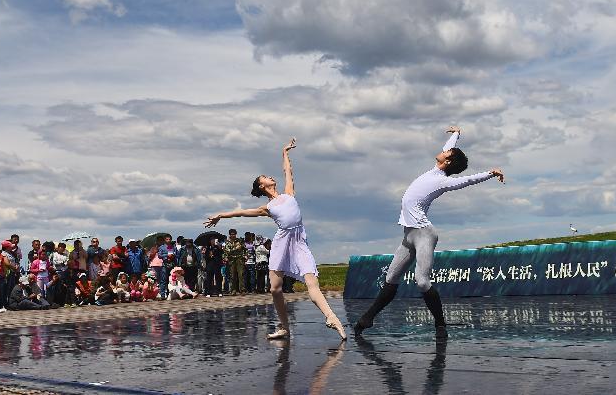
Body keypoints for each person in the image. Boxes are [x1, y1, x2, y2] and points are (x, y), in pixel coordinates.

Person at [354, 127, 504, 338]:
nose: (443, 151)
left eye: (447, 153)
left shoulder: (442, 180)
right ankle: (367, 319)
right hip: (409, 236)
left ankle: (440, 325)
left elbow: (467, 180)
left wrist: (490, 173)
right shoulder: (435, 169)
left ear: (448, 162)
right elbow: (449, 148)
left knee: (422, 281)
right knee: (391, 278)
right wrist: (457, 133)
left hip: (424, 234)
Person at [205, 137, 346, 340]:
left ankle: (332, 318)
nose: (270, 177)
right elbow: (242, 212)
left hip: (298, 242)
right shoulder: (268, 208)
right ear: (262, 186)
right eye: (265, 177)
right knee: (274, 288)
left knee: (311, 282)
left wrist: (285, 152)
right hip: (282, 242)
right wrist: (220, 215)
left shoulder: (289, 194)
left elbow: (288, 171)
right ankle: (284, 328)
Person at [224, 229, 246, 295]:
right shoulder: (227, 242)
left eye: (234, 234)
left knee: (241, 275)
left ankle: (242, 290)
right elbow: (226, 251)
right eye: (231, 234)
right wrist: (235, 248)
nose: (233, 235)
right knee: (232, 276)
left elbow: (244, 249)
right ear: (229, 235)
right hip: (231, 260)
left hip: (239, 259)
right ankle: (233, 290)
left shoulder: (240, 241)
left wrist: (245, 255)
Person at [157, 235, 178, 299]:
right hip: (165, 265)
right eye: (167, 239)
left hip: (172, 264)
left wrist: (173, 255)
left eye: (169, 239)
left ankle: (171, 294)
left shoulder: (173, 247)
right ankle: (162, 295)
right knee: (163, 280)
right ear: (165, 240)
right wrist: (167, 255)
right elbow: (159, 255)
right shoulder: (162, 247)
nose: (168, 240)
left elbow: (177, 254)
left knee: (172, 280)